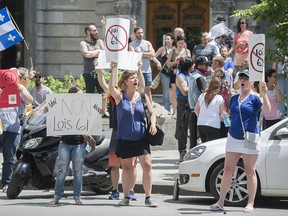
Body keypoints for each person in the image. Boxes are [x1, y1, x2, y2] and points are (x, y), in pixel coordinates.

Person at [209, 69, 271, 213]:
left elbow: (267, 110)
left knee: (250, 171)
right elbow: (230, 115)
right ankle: (220, 201)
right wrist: (224, 116)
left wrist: (264, 93)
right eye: (241, 77)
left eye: (246, 78)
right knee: (228, 170)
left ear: (251, 81)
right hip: (234, 137)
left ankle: (250, 203)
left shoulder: (256, 97)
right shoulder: (234, 98)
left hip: (250, 138)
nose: (243, 80)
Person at [108, 60, 158, 207]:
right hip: (124, 138)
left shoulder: (142, 96)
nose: (135, 80)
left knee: (147, 164)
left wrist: (153, 124)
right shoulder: (119, 97)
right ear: (125, 82)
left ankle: (148, 197)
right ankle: (126, 197)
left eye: (136, 77)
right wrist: (113, 69)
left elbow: (152, 112)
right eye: (132, 78)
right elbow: (111, 87)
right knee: (128, 168)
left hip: (141, 137)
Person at [96, 60, 145, 200]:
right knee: (114, 164)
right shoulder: (115, 95)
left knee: (132, 165)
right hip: (116, 133)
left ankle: (131, 190)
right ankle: (115, 190)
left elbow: (142, 88)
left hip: (129, 134)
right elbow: (104, 84)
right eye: (131, 78)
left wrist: (139, 69)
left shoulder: (133, 96)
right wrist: (100, 69)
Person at [49, 85, 86, 205]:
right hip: (64, 144)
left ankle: (77, 197)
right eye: (78, 95)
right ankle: (57, 196)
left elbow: (96, 114)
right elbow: (49, 110)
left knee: (78, 171)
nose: (80, 98)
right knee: (61, 171)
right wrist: (47, 107)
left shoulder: (84, 108)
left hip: (79, 144)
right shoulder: (62, 107)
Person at [0, 67, 33, 193]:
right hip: (0, 127)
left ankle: (6, 184)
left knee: (9, 159)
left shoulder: (20, 89)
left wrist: (22, 89)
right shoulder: (1, 88)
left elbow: (30, 100)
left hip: (12, 129)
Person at [80, 23, 109, 117]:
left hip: (99, 72)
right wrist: (98, 52)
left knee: (103, 92)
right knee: (90, 94)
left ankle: (103, 111)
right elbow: (86, 54)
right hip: (88, 72)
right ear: (88, 32)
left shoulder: (99, 42)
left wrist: (97, 53)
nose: (96, 32)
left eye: (96, 30)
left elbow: (104, 53)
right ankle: (89, 113)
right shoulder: (83, 43)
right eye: (94, 30)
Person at [167, 35, 191, 119]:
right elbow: (168, 64)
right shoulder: (172, 51)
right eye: (179, 43)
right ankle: (174, 111)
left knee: (183, 91)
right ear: (176, 43)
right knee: (174, 93)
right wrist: (175, 62)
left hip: (184, 73)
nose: (181, 45)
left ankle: (185, 110)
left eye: (182, 43)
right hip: (174, 73)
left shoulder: (187, 51)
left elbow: (190, 63)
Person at [129, 27, 156, 104]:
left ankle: (149, 108)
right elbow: (133, 56)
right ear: (135, 33)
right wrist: (146, 54)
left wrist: (140, 53)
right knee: (137, 90)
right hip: (137, 71)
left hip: (147, 70)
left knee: (148, 90)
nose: (141, 34)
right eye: (139, 33)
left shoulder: (147, 43)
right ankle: (139, 106)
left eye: (142, 32)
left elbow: (153, 54)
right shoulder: (131, 44)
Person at [174, 57, 194, 162]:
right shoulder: (180, 77)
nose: (194, 66)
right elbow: (184, 91)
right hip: (183, 104)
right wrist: (194, 84)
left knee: (194, 128)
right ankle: (182, 151)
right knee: (182, 128)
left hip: (192, 103)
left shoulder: (190, 75)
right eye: (192, 65)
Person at [194, 78, 225, 143]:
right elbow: (223, 115)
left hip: (201, 125)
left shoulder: (202, 96)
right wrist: (228, 124)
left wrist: (202, 117)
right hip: (213, 126)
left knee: (205, 147)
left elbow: (196, 110)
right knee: (213, 149)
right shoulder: (219, 98)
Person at [188, 56, 209, 149]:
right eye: (206, 64)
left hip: (193, 108)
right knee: (200, 136)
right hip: (199, 110)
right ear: (199, 65)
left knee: (193, 136)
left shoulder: (193, 75)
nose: (208, 66)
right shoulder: (199, 77)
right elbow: (205, 91)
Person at [154, 32, 175, 113]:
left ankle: (174, 110)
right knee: (166, 92)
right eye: (165, 39)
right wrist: (158, 63)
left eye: (168, 39)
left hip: (174, 73)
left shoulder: (175, 49)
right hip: (165, 73)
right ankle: (167, 110)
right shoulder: (162, 49)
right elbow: (153, 56)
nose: (166, 40)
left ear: (172, 40)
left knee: (173, 92)